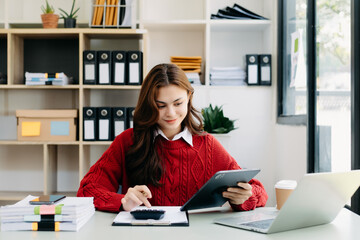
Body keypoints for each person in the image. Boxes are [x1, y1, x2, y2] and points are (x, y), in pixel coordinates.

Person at [77, 63, 268, 212]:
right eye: (160, 106)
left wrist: (244, 198)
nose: (171, 113)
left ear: (189, 98)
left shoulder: (208, 145)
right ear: (149, 104)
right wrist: (123, 201)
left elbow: (259, 191)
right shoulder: (128, 141)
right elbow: (87, 190)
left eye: (178, 103)